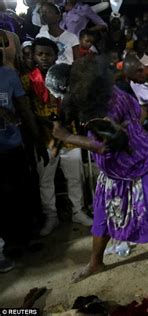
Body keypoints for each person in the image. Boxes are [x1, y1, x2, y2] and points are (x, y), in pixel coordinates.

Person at [48, 57, 148, 285]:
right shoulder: (104, 91)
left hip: (137, 167)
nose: (61, 100)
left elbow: (105, 145)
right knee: (103, 216)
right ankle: (95, 262)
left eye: (61, 96)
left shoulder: (100, 109)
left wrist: (67, 137)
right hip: (115, 171)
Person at [24, 37, 93, 236]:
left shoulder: (67, 76)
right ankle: (51, 216)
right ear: (35, 56)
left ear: (56, 55)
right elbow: (26, 110)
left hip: (68, 135)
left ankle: (78, 211)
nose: (44, 58)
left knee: (74, 177)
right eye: (40, 54)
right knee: (46, 180)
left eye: (48, 54)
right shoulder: (28, 79)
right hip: (44, 138)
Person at [0, 49, 47, 268]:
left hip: (13, 143)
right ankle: (11, 240)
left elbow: (24, 109)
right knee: (3, 196)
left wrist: (37, 139)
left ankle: (30, 234)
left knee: (23, 189)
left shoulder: (9, 75)